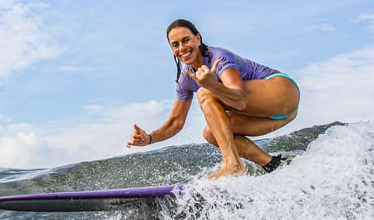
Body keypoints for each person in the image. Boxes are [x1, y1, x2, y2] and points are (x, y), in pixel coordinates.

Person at [126, 19, 300, 179]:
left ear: (198, 38)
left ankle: (232, 164)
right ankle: (273, 164)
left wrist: (213, 85)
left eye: (186, 40)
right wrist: (148, 138)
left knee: (205, 92)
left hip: (282, 92)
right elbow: (175, 123)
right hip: (273, 114)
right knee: (211, 133)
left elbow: (239, 101)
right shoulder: (185, 79)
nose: (182, 48)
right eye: (175, 44)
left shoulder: (219, 58)